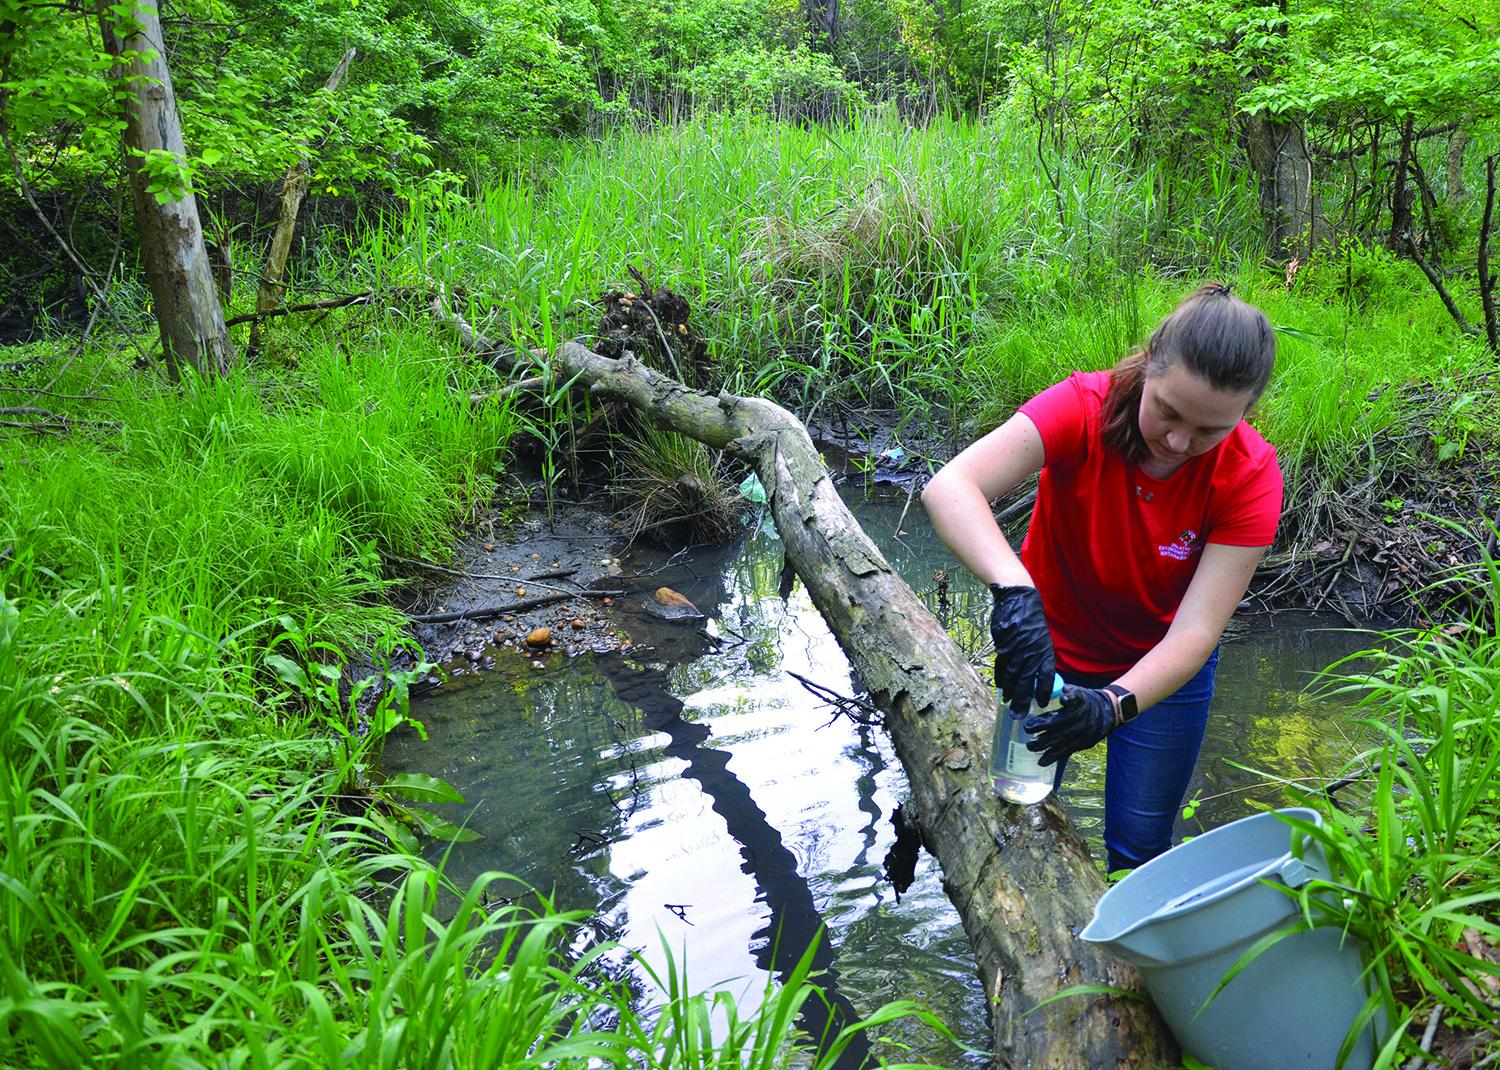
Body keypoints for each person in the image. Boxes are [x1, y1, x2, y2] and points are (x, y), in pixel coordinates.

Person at [921, 283, 1283, 873]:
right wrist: (1015, 592)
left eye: (1209, 430)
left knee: (1139, 853)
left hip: (1165, 674)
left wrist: (1113, 704)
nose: (1178, 441)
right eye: (1167, 410)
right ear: (1150, 364)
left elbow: (1196, 634)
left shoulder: (1251, 477)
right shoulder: (1082, 407)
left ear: (1244, 414)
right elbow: (951, 487)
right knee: (1016, 814)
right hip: (1046, 651)